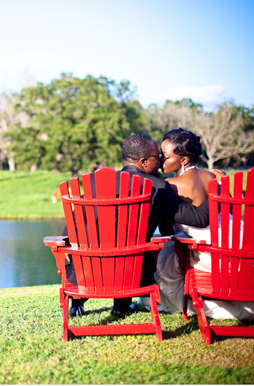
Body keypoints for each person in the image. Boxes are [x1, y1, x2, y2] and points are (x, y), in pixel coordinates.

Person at [144, 128, 254, 319]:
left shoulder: (172, 186)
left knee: (166, 254)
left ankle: (185, 297)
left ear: (184, 159)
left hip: (209, 252)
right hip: (235, 241)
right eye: (161, 155)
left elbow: (166, 228)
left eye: (166, 156)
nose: (162, 160)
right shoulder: (212, 177)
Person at [65, 133, 211, 317]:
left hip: (85, 271)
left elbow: (71, 228)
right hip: (132, 273)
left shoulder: (96, 183)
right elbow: (199, 218)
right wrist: (215, 188)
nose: (160, 161)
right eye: (157, 157)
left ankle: (83, 301)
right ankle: (120, 306)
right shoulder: (157, 187)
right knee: (132, 252)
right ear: (143, 162)